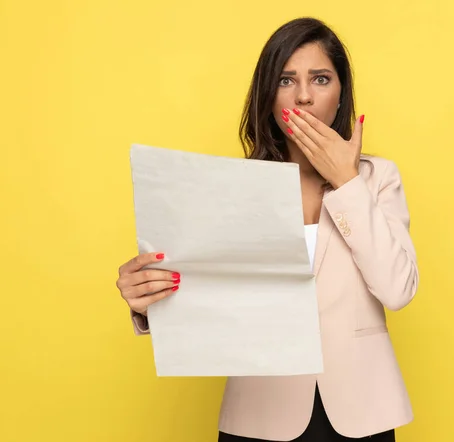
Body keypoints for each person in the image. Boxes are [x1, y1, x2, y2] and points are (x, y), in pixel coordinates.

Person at [116, 16, 419, 442]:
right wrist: (147, 302)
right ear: (268, 96)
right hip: (260, 412)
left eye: (320, 78)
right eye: (285, 80)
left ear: (340, 94)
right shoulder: (235, 186)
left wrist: (348, 183)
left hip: (361, 410)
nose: (304, 96)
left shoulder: (377, 179)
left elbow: (398, 288)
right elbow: (209, 295)